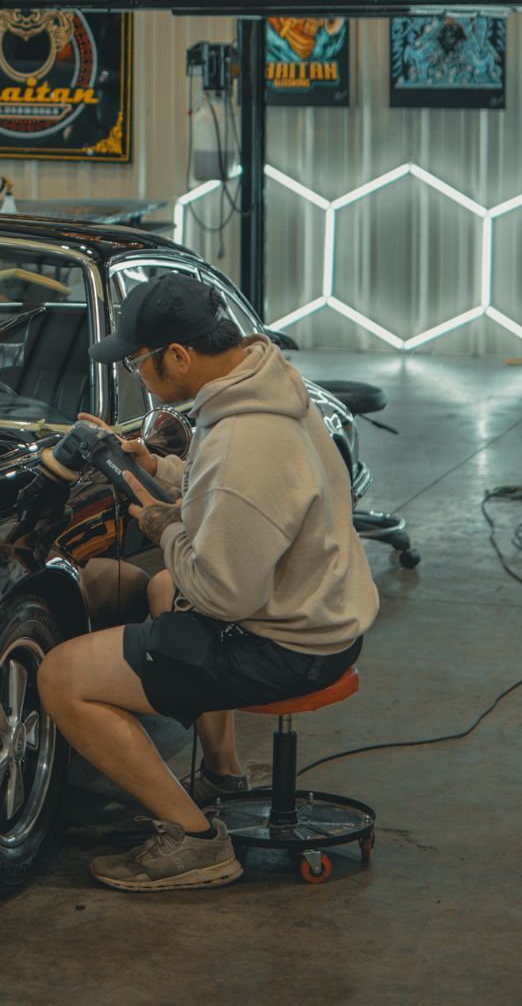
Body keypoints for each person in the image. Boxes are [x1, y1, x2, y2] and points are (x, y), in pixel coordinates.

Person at [36, 270, 379, 892]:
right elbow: (235, 501)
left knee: (63, 675)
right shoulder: (261, 385)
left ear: (178, 355)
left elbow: (222, 593)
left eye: (138, 362)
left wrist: (162, 521)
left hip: (285, 646)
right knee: (163, 588)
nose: (136, 376)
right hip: (320, 614)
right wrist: (161, 468)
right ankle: (222, 774)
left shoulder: (248, 436)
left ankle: (195, 842)